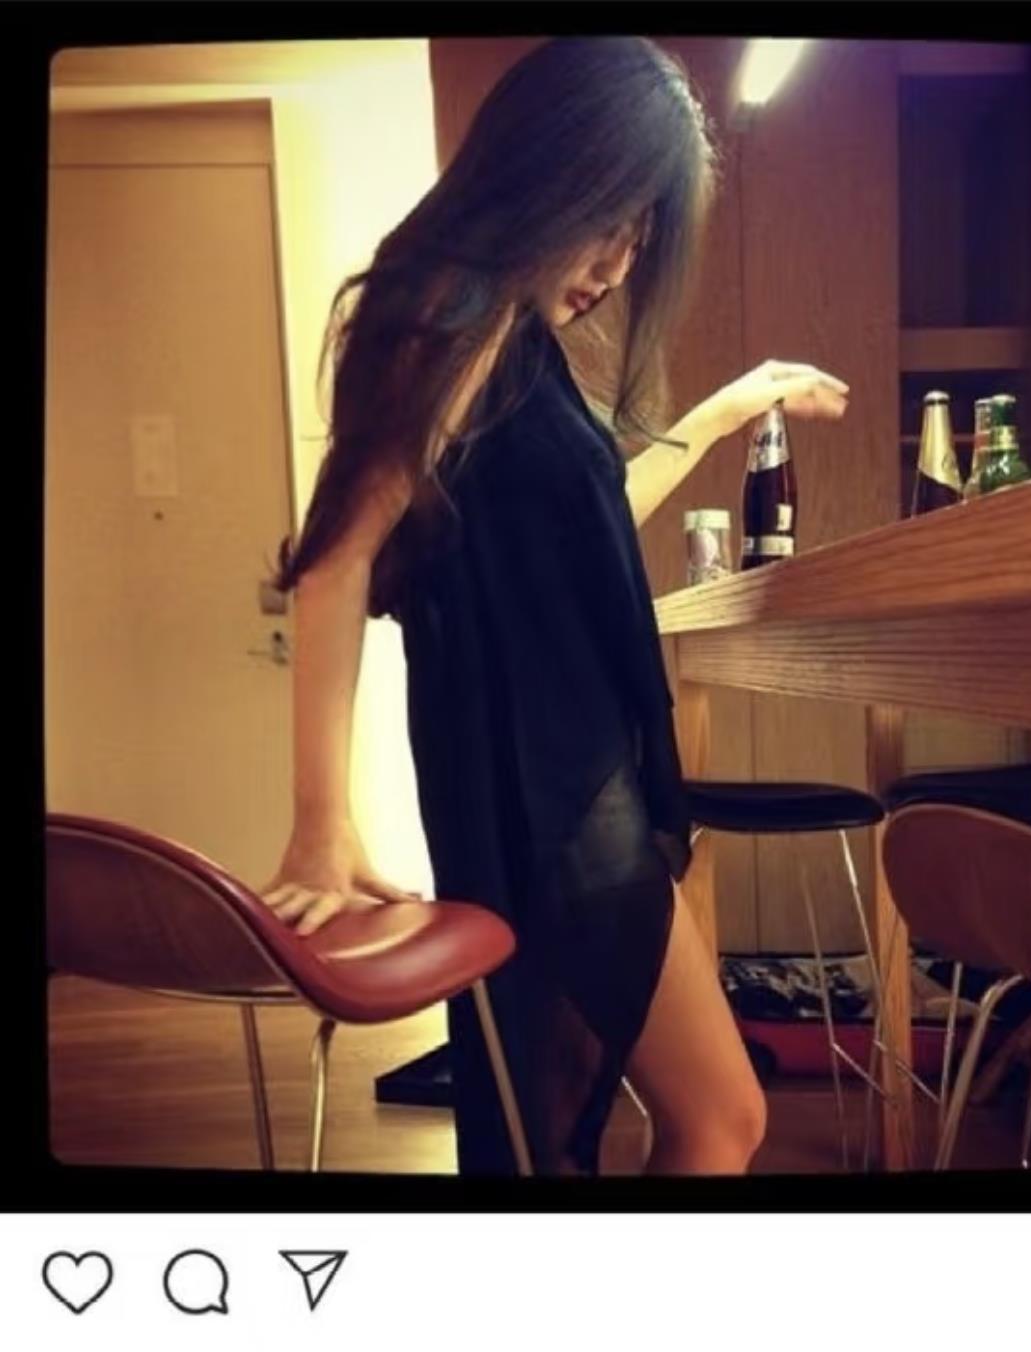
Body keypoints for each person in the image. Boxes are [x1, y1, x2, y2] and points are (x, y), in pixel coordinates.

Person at [259, 36, 849, 1176]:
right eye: (610, 221)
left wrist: (724, 412)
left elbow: (591, 515)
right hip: (557, 804)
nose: (619, 266)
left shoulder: (494, 331)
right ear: (550, 169)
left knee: (584, 1131)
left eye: (639, 237)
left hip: (557, 793)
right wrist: (322, 826)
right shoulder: (457, 312)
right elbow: (335, 560)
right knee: (717, 1115)